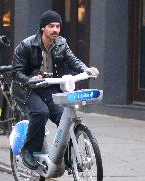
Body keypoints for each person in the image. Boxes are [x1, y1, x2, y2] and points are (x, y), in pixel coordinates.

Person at [12, 10, 99, 170]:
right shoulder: (26, 45)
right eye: (51, 26)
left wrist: (87, 70)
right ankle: (29, 151)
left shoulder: (61, 43)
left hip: (49, 87)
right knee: (41, 112)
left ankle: (69, 158)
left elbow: (73, 60)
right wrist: (30, 79)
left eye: (58, 26)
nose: (55, 30)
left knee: (64, 116)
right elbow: (16, 73)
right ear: (42, 29)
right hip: (26, 89)